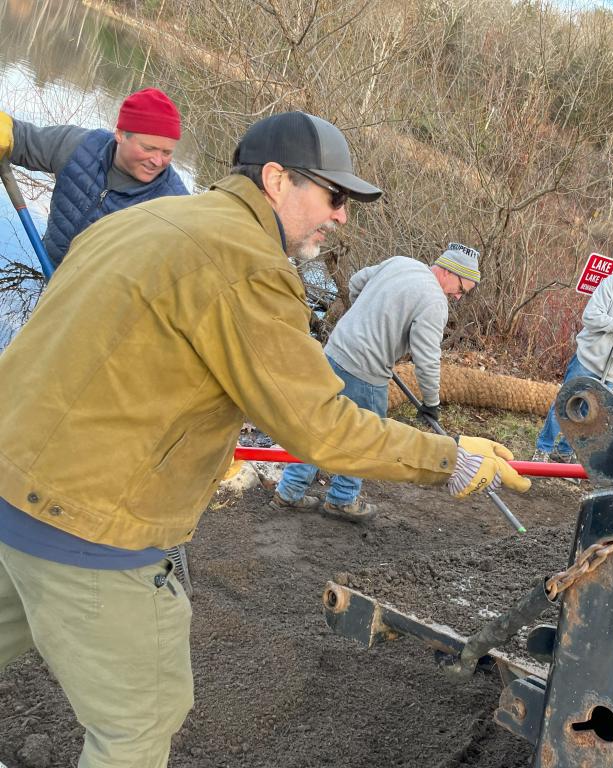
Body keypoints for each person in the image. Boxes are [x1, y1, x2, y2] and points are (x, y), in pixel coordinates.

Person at [0, 111, 529, 767]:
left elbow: (131, 359)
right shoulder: (248, 267)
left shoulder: (148, 221)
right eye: (334, 197)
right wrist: (450, 459)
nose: (341, 217)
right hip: (88, 527)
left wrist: (210, 448)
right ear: (277, 180)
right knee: (139, 722)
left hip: (10, 489)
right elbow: (320, 426)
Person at [273, 243, 481, 521]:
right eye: (461, 289)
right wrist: (431, 403)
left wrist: (369, 318)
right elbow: (427, 360)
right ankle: (342, 500)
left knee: (319, 424)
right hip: (366, 372)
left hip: (334, 351)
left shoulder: (402, 262)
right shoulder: (434, 301)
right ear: (447, 271)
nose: (457, 297)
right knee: (365, 438)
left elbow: (356, 282)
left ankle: (289, 492)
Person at [0, 87, 188, 268]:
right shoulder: (81, 146)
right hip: (50, 271)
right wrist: (8, 132)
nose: (157, 161)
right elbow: (24, 139)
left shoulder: (174, 204)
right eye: (148, 149)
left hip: (101, 298)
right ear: (121, 134)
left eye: (167, 153)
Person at [533, 243, 613, 462]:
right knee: (566, 403)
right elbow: (591, 316)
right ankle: (543, 448)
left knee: (589, 413)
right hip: (589, 359)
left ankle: (565, 452)